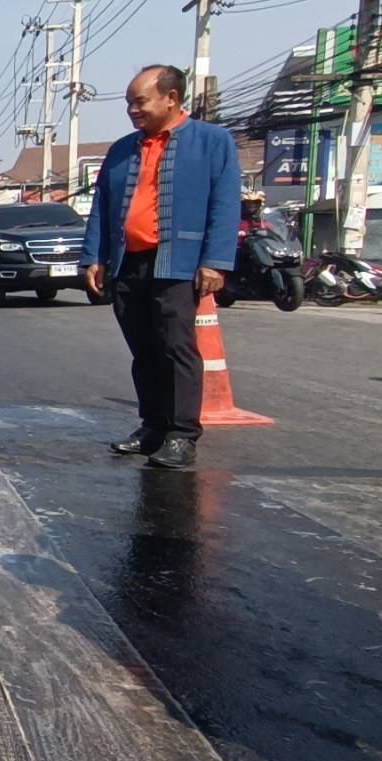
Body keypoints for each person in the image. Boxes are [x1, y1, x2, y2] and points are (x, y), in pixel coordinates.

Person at [82, 64, 240, 470]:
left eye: (140, 102)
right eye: (129, 103)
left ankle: (181, 434)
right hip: (128, 263)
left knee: (175, 348)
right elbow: (101, 205)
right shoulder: (123, 149)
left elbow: (225, 204)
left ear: (171, 98)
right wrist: (94, 257)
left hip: (177, 264)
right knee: (144, 350)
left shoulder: (211, 142)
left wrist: (215, 261)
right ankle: (152, 426)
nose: (132, 110)